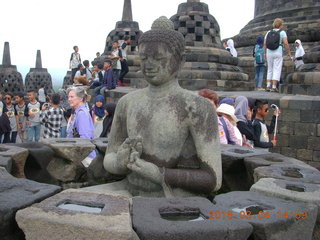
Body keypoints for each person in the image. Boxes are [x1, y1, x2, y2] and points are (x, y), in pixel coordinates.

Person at [100, 16, 221, 198]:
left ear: (180, 61)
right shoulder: (127, 103)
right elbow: (110, 157)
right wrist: (120, 162)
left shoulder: (197, 108)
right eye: (144, 58)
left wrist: (160, 175)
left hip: (176, 197)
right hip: (129, 189)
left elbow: (213, 180)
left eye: (159, 58)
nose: (149, 65)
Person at [67, 86, 96, 167]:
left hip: (84, 158)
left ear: (80, 98)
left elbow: (85, 138)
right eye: (68, 97)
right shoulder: (78, 112)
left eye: (72, 97)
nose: (69, 99)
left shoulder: (82, 114)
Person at [264, 18, 291, 92]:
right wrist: (288, 52)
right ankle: (274, 86)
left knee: (270, 69)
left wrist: (265, 53)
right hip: (278, 51)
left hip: (269, 51)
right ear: (280, 25)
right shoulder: (282, 32)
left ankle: (268, 86)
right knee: (277, 69)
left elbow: (265, 43)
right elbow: (285, 43)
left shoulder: (268, 32)